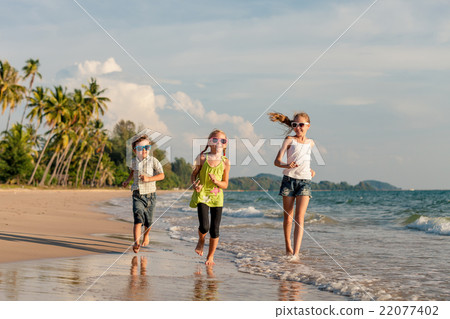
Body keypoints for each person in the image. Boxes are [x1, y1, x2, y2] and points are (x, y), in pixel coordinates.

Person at [269, 112, 316, 258]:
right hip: (289, 180)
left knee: (300, 218)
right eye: (295, 125)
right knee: (288, 217)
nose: (298, 128)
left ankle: (296, 253)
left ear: (308, 126)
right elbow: (276, 161)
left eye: (301, 125)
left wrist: (311, 170)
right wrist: (287, 164)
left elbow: (305, 160)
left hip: (305, 182)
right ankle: (288, 247)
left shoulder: (311, 143)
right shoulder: (289, 140)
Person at [189, 129, 231, 265]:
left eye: (222, 141)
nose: (218, 143)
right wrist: (195, 185)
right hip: (202, 194)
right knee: (204, 226)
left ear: (225, 144)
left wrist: (216, 182)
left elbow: (225, 184)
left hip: (217, 197)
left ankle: (210, 256)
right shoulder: (202, 157)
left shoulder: (226, 162)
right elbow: (194, 174)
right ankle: (201, 240)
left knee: (215, 229)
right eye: (215, 140)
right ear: (209, 142)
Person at [123, 135, 165, 253]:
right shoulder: (133, 162)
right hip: (137, 194)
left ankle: (146, 235)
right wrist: (127, 180)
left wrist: (148, 179)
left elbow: (162, 175)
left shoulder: (154, 161)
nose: (144, 150)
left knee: (149, 221)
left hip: (151, 195)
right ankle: (136, 243)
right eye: (141, 148)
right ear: (135, 150)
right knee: (138, 218)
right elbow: (132, 172)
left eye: (147, 147)